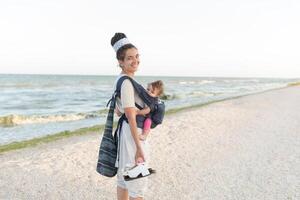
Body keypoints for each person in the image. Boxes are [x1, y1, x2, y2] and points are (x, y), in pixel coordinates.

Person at [111, 32, 150, 200]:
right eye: (129, 58)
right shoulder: (127, 82)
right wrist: (139, 147)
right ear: (120, 62)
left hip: (124, 132)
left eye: (137, 56)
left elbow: (118, 111)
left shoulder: (119, 79)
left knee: (124, 179)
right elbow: (131, 116)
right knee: (137, 183)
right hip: (133, 135)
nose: (135, 61)